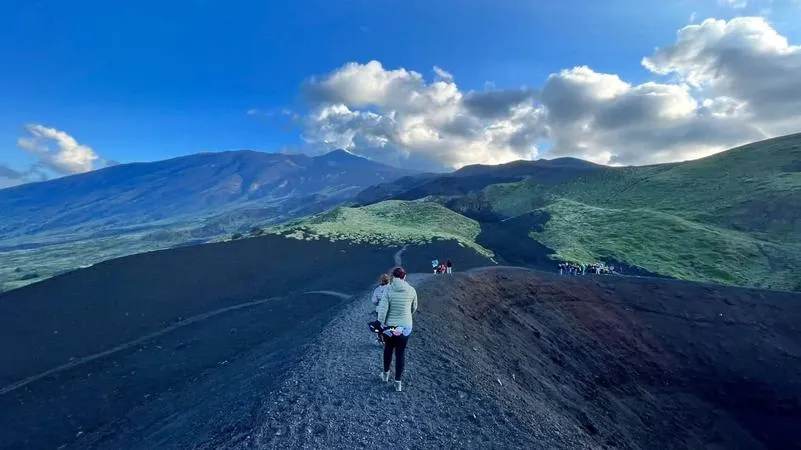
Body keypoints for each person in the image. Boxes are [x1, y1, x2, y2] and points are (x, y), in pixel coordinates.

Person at [377, 266, 418, 392]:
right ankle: (398, 382)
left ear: (392, 277)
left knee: (388, 348)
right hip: (405, 328)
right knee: (400, 353)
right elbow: (414, 307)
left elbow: (383, 310)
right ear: (404, 277)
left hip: (390, 327)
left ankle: (385, 375)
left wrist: (381, 323)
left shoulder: (388, 290)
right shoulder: (411, 290)